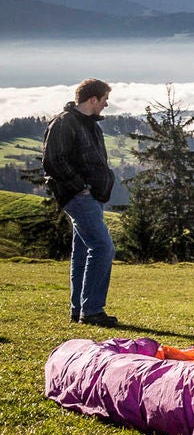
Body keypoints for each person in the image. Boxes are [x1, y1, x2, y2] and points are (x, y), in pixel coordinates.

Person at [44, 78, 119, 327]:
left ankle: (79, 310)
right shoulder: (64, 123)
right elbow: (54, 161)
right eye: (104, 100)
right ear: (93, 99)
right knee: (102, 247)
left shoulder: (90, 125)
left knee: (83, 252)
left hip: (91, 195)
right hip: (78, 196)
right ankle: (93, 310)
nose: (106, 106)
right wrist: (80, 188)